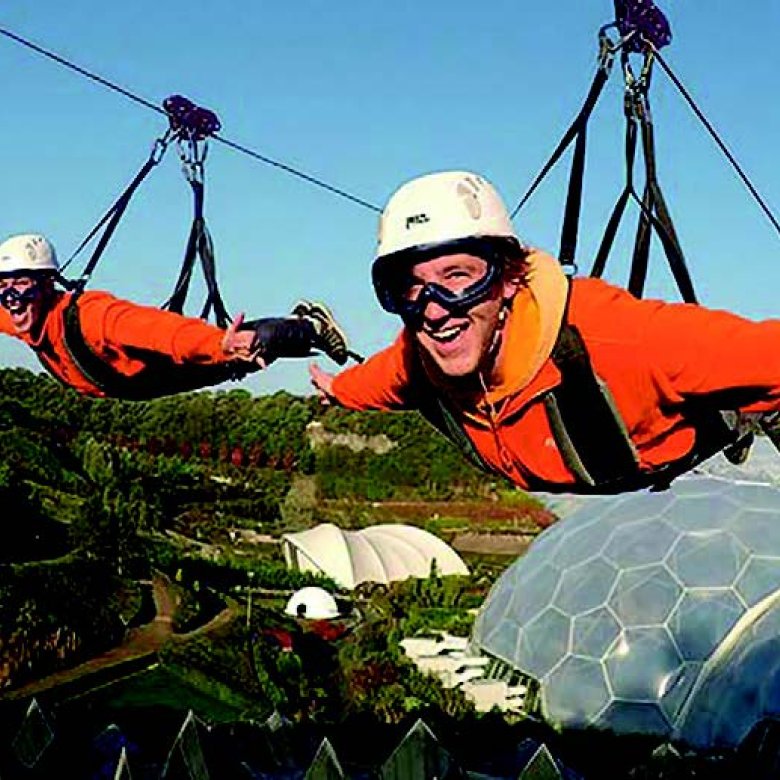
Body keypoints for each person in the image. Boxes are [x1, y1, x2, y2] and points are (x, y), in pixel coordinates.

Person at [309, 170, 780, 495]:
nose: (433, 310)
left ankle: (753, 415)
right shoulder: (418, 358)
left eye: (458, 277)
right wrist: (339, 390)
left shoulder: (627, 341)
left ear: (509, 276)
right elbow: (377, 380)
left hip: (686, 431)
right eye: (408, 288)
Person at [0, 233, 350, 400]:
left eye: (23, 286)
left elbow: (162, 331)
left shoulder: (92, 318)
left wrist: (218, 344)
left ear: (48, 285)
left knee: (242, 353)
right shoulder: (24, 319)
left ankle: (310, 325)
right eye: (5, 290)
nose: (13, 300)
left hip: (166, 366)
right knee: (236, 358)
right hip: (141, 386)